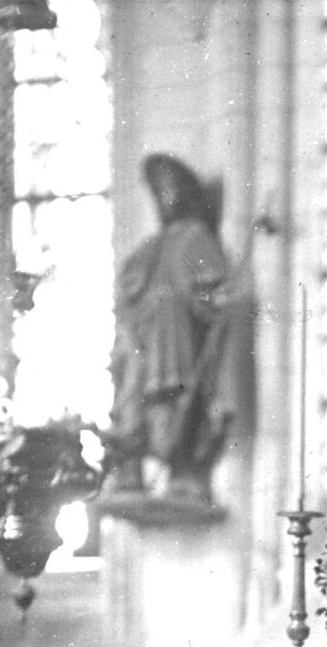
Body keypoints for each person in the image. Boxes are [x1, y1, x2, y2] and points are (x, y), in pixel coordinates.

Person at [106, 152, 238, 504]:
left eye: (169, 189)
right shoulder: (150, 247)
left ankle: (183, 468)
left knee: (174, 399)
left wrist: (204, 299)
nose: (163, 198)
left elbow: (211, 293)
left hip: (176, 347)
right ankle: (130, 468)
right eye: (157, 190)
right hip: (142, 348)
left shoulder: (195, 237)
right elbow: (125, 292)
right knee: (131, 395)